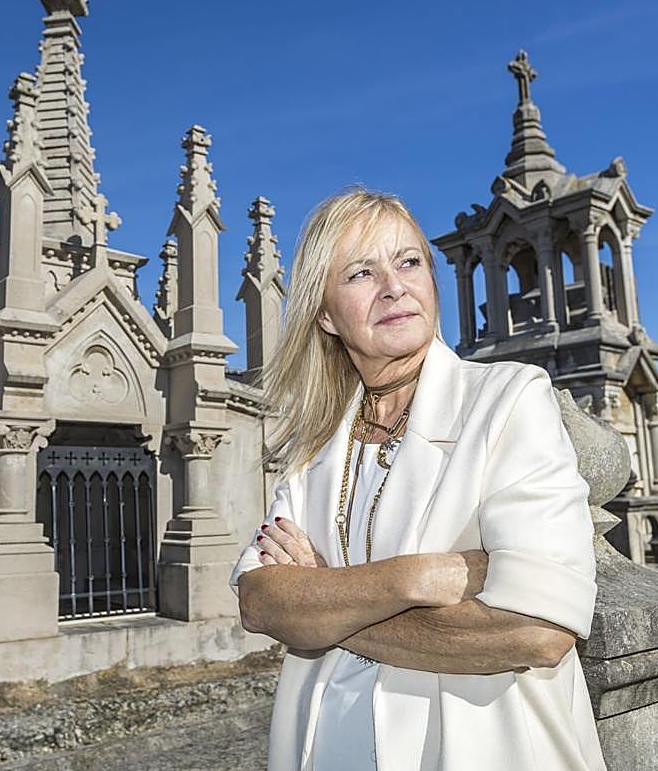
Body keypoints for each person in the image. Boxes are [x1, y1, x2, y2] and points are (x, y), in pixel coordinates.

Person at [231, 189, 605, 771]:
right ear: (325, 314)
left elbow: (538, 629)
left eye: (409, 262)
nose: (394, 286)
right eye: (361, 272)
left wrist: (326, 604)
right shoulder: (313, 449)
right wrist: (417, 577)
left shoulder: (507, 401)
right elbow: (259, 603)